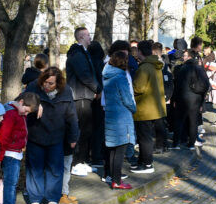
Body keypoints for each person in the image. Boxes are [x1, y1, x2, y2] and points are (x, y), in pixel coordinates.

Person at [22, 66, 78, 204]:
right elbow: (19, 102)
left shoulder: (66, 92)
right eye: (45, 82)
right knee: (35, 168)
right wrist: (34, 103)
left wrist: (73, 136)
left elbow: (72, 116)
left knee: (55, 169)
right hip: (36, 134)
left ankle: (52, 198)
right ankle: (35, 199)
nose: (46, 86)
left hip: (56, 135)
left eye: (50, 83)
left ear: (58, 83)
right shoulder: (34, 86)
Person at [0, 92, 38, 204]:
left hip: (15, 152)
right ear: (21, 102)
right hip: (10, 153)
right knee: (10, 184)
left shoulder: (17, 112)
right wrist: (0, 156)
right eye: (26, 110)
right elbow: (3, 136)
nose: (26, 114)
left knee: (10, 183)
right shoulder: (11, 114)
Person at [66, 27, 100, 178]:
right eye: (87, 35)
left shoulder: (82, 53)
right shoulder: (77, 54)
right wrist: (97, 88)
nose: (90, 38)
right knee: (81, 129)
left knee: (86, 130)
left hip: (84, 95)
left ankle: (82, 160)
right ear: (80, 37)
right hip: (79, 96)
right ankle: (75, 163)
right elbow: (84, 75)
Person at [103, 51, 136, 189]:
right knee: (120, 150)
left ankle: (112, 178)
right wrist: (134, 108)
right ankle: (117, 181)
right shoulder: (121, 77)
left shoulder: (107, 76)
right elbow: (127, 98)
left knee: (113, 149)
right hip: (122, 117)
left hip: (110, 115)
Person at [131, 40, 165, 174]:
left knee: (144, 137)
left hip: (144, 108)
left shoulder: (145, 67)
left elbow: (138, 88)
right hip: (153, 107)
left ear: (140, 52)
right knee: (145, 136)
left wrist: (129, 88)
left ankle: (147, 164)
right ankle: (142, 161)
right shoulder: (155, 65)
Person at [171, 50, 210, 149]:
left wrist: (174, 99)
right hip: (196, 99)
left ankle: (176, 143)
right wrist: (202, 101)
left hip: (183, 98)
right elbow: (206, 85)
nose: (183, 57)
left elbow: (177, 85)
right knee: (193, 122)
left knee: (179, 121)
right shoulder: (200, 68)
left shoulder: (183, 68)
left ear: (189, 57)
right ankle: (191, 144)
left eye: (184, 55)